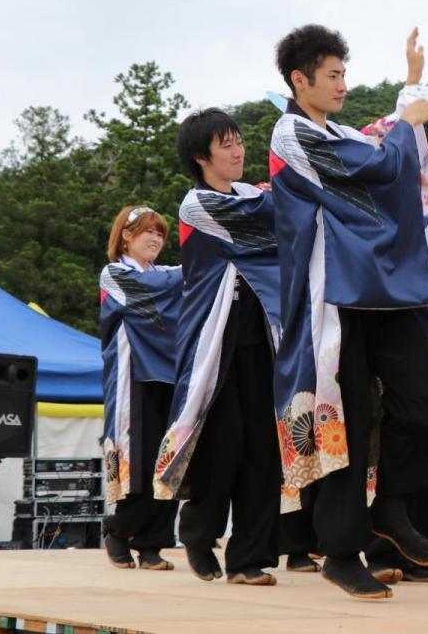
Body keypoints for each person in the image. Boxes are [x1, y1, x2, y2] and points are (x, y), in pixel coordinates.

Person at [269, 24, 428, 600]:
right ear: (299, 80)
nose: (343, 85)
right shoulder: (291, 135)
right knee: (345, 422)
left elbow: (380, 145)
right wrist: (408, 121)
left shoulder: (339, 131)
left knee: (427, 401)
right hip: (333, 297)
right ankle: (341, 551)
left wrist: (409, 84)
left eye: (344, 74)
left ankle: (392, 506)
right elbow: (379, 164)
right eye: (332, 75)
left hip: (380, 290)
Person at [152, 109, 284, 586]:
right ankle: (199, 533)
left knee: (265, 449)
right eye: (226, 144)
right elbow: (274, 213)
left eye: (240, 141)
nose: (238, 150)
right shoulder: (198, 206)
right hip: (217, 340)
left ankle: (249, 559)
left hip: (262, 339)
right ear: (200, 157)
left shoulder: (252, 193)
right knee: (223, 445)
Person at [99, 205, 182, 570]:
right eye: (147, 232)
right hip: (133, 375)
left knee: (170, 459)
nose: (156, 239)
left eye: (161, 234)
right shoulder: (114, 274)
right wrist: (192, 269)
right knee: (139, 459)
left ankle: (153, 544)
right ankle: (118, 529)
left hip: (171, 374)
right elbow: (153, 290)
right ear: (126, 236)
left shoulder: (167, 273)